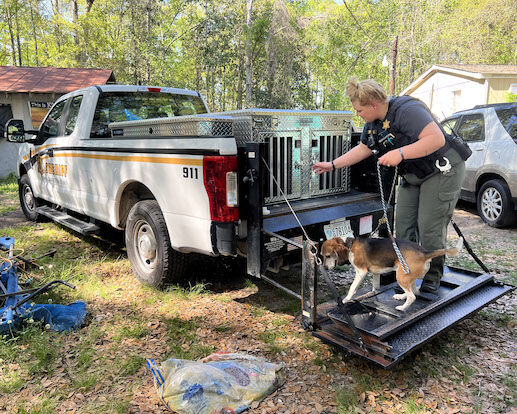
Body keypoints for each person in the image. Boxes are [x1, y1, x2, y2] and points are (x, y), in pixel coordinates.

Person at [313, 78, 465, 293]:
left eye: (359, 110)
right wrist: (332, 164)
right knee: (403, 226)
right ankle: (405, 270)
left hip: (441, 170)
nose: (358, 114)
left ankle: (432, 276)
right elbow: (363, 149)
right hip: (413, 174)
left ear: (373, 104)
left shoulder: (407, 110)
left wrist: (400, 153)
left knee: (429, 225)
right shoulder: (373, 123)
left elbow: (436, 139)